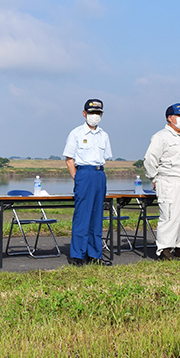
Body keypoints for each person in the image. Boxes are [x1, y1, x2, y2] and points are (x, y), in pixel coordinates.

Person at [143, 103, 180, 260]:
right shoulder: (161, 136)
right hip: (170, 181)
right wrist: (154, 177)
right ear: (170, 118)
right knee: (170, 216)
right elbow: (150, 159)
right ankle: (165, 249)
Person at [62, 99, 112, 266]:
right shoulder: (76, 133)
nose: (95, 116)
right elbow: (69, 159)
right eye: (91, 113)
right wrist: (78, 178)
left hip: (99, 174)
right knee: (82, 216)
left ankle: (95, 254)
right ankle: (78, 255)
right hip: (84, 173)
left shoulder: (104, 135)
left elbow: (105, 158)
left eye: (98, 113)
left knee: (97, 216)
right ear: (84, 114)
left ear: (102, 115)